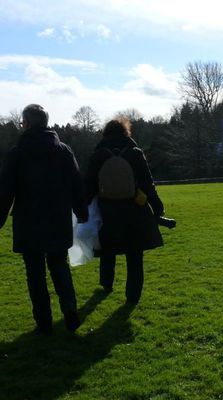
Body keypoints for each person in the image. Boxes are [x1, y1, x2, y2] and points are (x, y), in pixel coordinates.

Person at [0, 104, 88, 334]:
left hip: (28, 221)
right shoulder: (63, 151)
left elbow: (5, 191)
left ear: (27, 124)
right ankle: (69, 310)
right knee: (60, 266)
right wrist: (82, 211)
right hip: (58, 218)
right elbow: (76, 184)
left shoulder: (17, 153)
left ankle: (44, 322)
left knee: (35, 273)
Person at [86, 118, 164, 306]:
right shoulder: (135, 153)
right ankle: (133, 295)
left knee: (107, 250)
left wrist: (84, 210)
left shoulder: (98, 155)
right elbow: (147, 183)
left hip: (107, 210)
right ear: (126, 132)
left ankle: (106, 283)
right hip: (134, 210)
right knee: (134, 255)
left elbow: (88, 186)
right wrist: (158, 206)